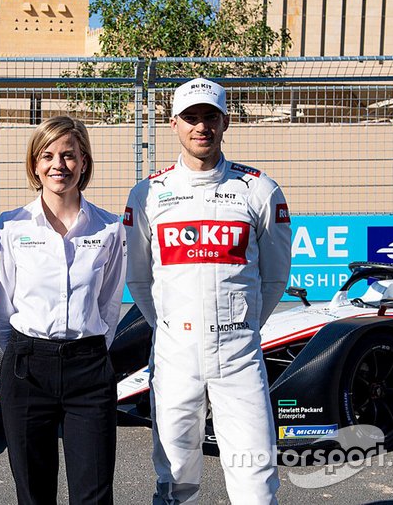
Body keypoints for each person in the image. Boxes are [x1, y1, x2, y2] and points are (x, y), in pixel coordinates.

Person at [124, 78, 291, 504]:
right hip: (175, 352)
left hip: (238, 352)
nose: (201, 126)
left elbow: (274, 277)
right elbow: (140, 279)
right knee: (175, 475)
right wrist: (170, 326)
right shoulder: (148, 194)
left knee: (255, 475)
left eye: (210, 116)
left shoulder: (259, 189)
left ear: (225, 121)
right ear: (173, 123)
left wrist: (243, 325)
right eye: (191, 117)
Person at [0, 115, 126, 505]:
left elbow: (110, 304)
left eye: (69, 155)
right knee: (34, 495)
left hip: (90, 369)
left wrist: (88, 347)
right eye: (47, 155)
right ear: (34, 164)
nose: (58, 165)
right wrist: (25, 350)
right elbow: (1, 306)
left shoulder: (109, 228)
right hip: (28, 366)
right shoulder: (12, 226)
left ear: (84, 162)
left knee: (94, 495)